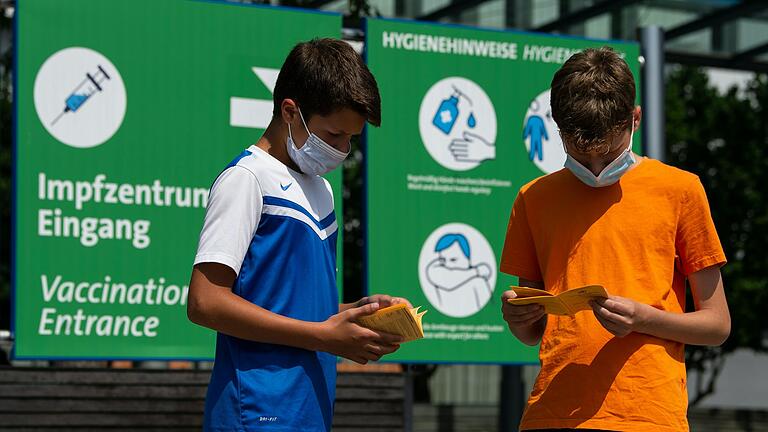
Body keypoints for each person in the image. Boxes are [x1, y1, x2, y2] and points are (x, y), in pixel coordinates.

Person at [499, 47, 730, 432]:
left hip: (648, 414)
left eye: (606, 153)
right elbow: (531, 334)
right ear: (558, 128)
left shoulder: (680, 190)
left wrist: (644, 318)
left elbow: (717, 325)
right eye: (579, 152)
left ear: (635, 119)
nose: (595, 168)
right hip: (552, 413)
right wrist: (517, 316)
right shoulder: (532, 198)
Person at [187, 38, 410, 432]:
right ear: (290, 111)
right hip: (257, 410)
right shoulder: (246, 179)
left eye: (351, 140)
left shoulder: (320, 189)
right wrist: (323, 337)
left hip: (308, 408)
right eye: (334, 135)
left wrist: (356, 314)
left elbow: (293, 304)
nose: (343, 150)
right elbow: (204, 302)